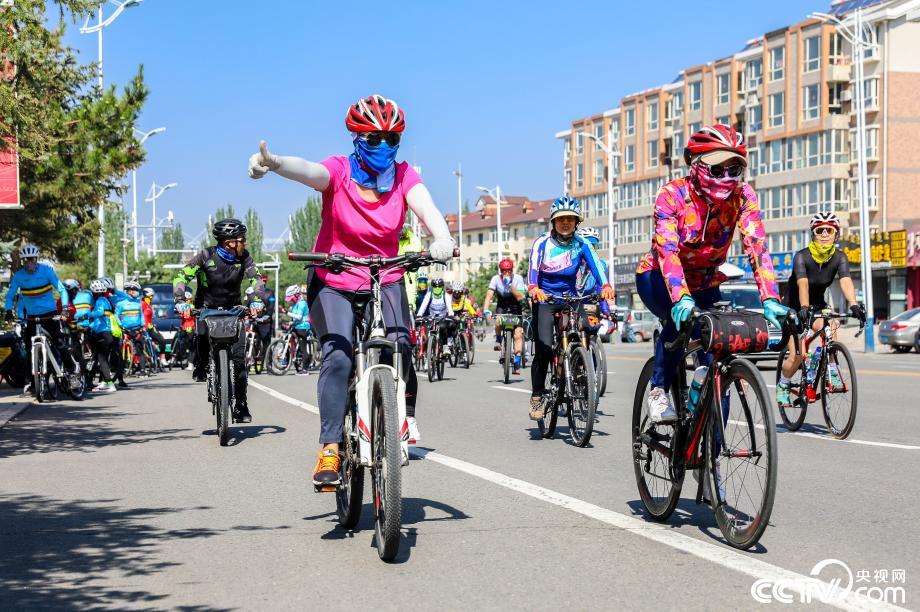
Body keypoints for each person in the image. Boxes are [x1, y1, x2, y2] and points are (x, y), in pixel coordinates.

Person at [247, 94, 454, 486]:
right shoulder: (340, 171)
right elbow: (310, 172)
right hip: (335, 279)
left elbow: (426, 208)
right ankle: (329, 448)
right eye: (374, 138)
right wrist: (275, 165)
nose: (384, 146)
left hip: (384, 276)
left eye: (392, 139)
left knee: (403, 344)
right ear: (357, 137)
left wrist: (441, 237)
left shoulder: (404, 175)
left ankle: (403, 418)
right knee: (339, 357)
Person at [635, 124, 790, 424]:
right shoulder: (672, 195)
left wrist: (770, 298)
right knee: (680, 325)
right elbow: (667, 250)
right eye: (717, 170)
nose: (727, 178)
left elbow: (756, 246)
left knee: (716, 351)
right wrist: (679, 296)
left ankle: (711, 457)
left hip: (706, 280)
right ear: (696, 164)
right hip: (659, 278)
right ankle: (658, 390)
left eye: (734, 169)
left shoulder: (743, 196)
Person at [173, 218, 265, 424]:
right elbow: (180, 277)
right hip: (206, 310)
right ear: (228, 242)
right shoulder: (205, 256)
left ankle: (241, 405)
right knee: (202, 342)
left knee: (240, 360)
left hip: (234, 311)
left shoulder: (245, 258)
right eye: (241, 240)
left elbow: (256, 279)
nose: (245, 244)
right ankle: (201, 364)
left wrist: (257, 300)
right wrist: (181, 300)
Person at [527, 198, 613, 418]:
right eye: (561, 219)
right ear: (553, 222)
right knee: (544, 348)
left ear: (576, 222)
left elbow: (595, 265)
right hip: (545, 298)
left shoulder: (581, 244)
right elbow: (533, 269)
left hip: (571, 298)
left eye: (570, 219)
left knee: (586, 328)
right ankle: (537, 396)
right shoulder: (542, 243)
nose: (565, 223)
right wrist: (534, 287)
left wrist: (605, 285)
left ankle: (580, 368)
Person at [776, 212, 865, 404]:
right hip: (794, 307)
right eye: (819, 230)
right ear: (813, 234)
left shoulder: (840, 257)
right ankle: (783, 383)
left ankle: (831, 368)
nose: (824, 234)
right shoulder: (802, 256)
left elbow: (846, 281)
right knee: (797, 356)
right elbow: (803, 285)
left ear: (836, 234)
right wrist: (804, 307)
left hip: (816, 305)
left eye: (829, 230)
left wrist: (854, 305)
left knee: (831, 325)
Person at [4, 244, 79, 394]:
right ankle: (33, 383)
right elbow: (11, 294)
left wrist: (64, 307)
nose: (30, 262)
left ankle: (72, 372)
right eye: (27, 259)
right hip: (32, 317)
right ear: (23, 261)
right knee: (29, 350)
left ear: (37, 259)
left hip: (49, 315)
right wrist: (8, 311)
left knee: (60, 343)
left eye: (33, 258)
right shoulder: (19, 276)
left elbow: (62, 290)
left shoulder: (47, 271)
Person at [482, 257, 527, 371]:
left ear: (512, 270)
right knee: (497, 321)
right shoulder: (495, 279)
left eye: (509, 271)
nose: (507, 273)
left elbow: (520, 297)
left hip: (515, 305)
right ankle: (498, 340)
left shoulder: (518, 279)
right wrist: (486, 310)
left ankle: (517, 359)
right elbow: (489, 295)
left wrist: (511, 284)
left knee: (518, 335)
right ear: (501, 271)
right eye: (504, 271)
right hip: (502, 305)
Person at [86, 279, 119, 393]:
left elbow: (99, 313)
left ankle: (110, 385)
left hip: (103, 334)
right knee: (104, 358)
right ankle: (106, 382)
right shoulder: (107, 299)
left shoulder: (100, 300)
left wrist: (88, 315)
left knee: (102, 359)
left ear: (94, 292)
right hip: (109, 333)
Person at [416, 278, 457, 357]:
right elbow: (423, 306)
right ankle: (427, 355)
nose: (437, 288)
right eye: (435, 286)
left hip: (442, 317)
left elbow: (449, 307)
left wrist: (451, 315)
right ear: (432, 287)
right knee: (427, 336)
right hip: (431, 317)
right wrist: (419, 315)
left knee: (443, 328)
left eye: (439, 286)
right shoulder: (429, 294)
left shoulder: (446, 295)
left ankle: (445, 347)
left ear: (442, 287)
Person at [116, 281, 149, 375]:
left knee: (139, 350)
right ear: (129, 291)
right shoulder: (121, 304)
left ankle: (142, 370)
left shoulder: (138, 302)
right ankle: (120, 370)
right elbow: (116, 315)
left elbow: (141, 315)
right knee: (121, 350)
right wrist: (121, 326)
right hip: (125, 330)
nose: (137, 292)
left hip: (137, 329)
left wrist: (143, 325)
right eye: (135, 290)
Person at [286, 285, 313, 375]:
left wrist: (287, 313)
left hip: (303, 327)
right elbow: (294, 317)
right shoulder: (295, 303)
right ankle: (289, 358)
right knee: (288, 338)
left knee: (303, 348)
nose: (290, 300)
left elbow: (299, 316)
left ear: (296, 294)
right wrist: (290, 322)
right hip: (297, 326)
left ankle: (305, 369)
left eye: (291, 297)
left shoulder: (302, 303)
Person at [140, 287, 168, 367]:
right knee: (147, 344)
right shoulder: (142, 304)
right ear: (146, 296)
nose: (152, 298)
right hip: (143, 328)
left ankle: (162, 358)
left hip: (151, 327)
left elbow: (148, 317)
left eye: (152, 296)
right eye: (150, 296)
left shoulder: (149, 304)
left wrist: (151, 324)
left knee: (162, 340)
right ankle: (147, 361)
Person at [398, 224, 423, 307]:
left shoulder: (414, 239)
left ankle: (410, 308)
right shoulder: (393, 237)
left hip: (408, 269)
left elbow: (416, 250)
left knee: (410, 289)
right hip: (394, 268)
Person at [247, 297, 272, 374]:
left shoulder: (268, 294)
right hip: (255, 323)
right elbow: (246, 309)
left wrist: (265, 318)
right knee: (254, 343)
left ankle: (269, 366)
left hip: (265, 324)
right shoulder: (250, 295)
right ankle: (253, 362)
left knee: (266, 346)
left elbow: (270, 310)